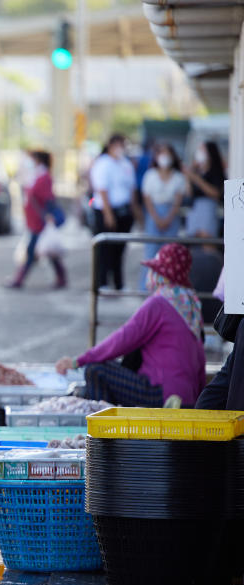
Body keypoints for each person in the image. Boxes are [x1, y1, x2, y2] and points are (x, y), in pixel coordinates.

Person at [56, 243, 206, 408]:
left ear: (162, 274)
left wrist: (80, 360)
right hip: (186, 396)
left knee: (95, 370)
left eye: (153, 270)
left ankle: (106, 429)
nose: (149, 275)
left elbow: (123, 339)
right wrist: (198, 403)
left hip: (162, 394)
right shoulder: (191, 303)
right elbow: (199, 358)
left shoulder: (160, 303)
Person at [90, 133, 142, 290]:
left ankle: (119, 283)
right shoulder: (103, 164)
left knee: (119, 249)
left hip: (124, 211)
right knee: (105, 249)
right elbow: (102, 190)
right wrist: (108, 214)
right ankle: (103, 282)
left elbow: (131, 189)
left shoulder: (125, 164)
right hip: (106, 210)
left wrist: (135, 212)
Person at [9, 150, 67, 289]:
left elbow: (47, 198)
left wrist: (48, 215)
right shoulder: (37, 176)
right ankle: (61, 278)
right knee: (46, 252)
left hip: (40, 222)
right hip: (36, 221)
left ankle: (19, 279)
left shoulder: (43, 177)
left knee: (32, 252)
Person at [140, 143, 186, 288]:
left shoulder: (178, 177)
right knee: (151, 252)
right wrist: (157, 218)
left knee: (170, 253)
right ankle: (146, 287)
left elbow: (178, 200)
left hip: (171, 215)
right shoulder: (151, 175)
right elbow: (147, 199)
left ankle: (168, 286)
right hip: (154, 214)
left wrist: (168, 218)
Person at [184, 141, 226, 238]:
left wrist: (196, 179)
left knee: (207, 242)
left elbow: (216, 193)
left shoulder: (216, 172)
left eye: (202, 150)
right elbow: (189, 194)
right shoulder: (197, 171)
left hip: (209, 210)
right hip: (195, 210)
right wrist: (189, 176)